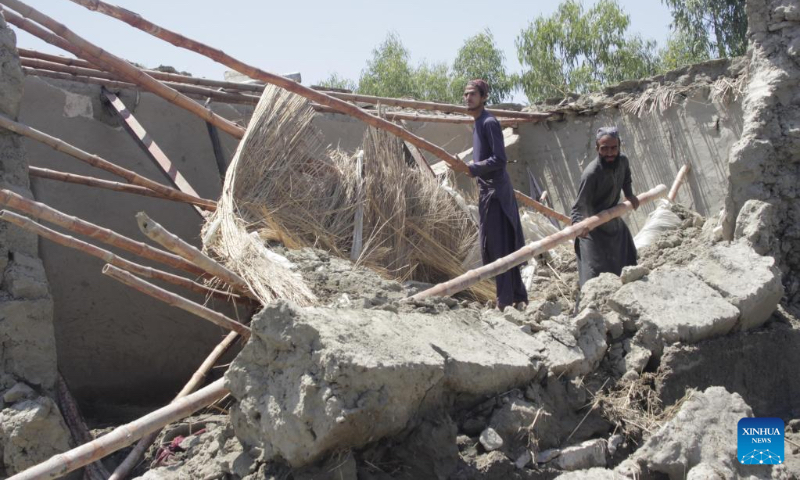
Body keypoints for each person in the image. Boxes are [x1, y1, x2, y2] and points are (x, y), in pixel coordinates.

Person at [460, 79, 528, 310]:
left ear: (483, 97)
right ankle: (517, 297)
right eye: (466, 94)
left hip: (497, 193)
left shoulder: (489, 122)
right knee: (500, 246)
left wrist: (473, 168)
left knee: (501, 246)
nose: (468, 98)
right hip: (488, 191)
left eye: (472, 94)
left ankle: (506, 300)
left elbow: (500, 159)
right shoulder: (478, 123)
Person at [571, 126, 640, 287]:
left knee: (628, 260)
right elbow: (578, 206)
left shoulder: (622, 161)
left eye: (613, 148)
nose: (610, 153)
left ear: (619, 147)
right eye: (605, 149)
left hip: (612, 221)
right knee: (593, 276)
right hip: (592, 229)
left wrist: (629, 194)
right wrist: (578, 226)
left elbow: (627, 178)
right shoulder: (592, 173)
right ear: (597, 149)